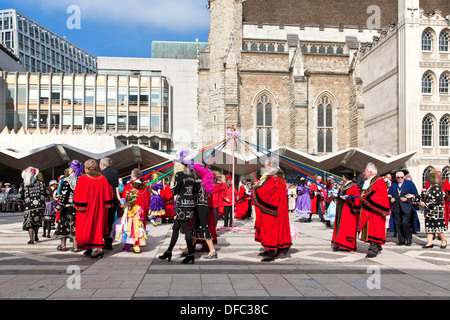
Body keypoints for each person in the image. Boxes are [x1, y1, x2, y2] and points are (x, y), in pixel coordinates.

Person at [253, 158, 292, 262]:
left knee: (270, 229)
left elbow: (268, 192)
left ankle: (271, 251)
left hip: (272, 209)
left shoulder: (274, 177)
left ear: (270, 165)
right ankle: (272, 248)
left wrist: (257, 188)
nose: (265, 167)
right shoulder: (278, 176)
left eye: (266, 165)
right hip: (278, 207)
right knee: (275, 229)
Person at [74, 159, 114, 259]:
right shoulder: (102, 178)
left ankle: (97, 249)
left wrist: (79, 206)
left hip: (87, 208)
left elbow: (79, 193)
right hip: (100, 208)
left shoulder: (83, 178)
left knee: (87, 227)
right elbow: (108, 192)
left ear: (86, 168)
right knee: (97, 226)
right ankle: (93, 248)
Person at [159, 158, 196, 264]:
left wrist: (172, 185)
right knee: (176, 227)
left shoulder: (179, 175)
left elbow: (174, 191)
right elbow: (193, 191)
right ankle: (169, 251)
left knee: (186, 229)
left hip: (182, 205)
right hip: (189, 204)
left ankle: (190, 255)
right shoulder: (191, 176)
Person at [359, 162, 390, 258]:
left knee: (374, 230)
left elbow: (378, 195)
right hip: (367, 210)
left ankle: (373, 249)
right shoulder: (370, 181)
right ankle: (377, 245)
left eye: (365, 172)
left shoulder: (379, 181)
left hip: (375, 211)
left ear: (371, 172)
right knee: (370, 230)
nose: (364, 174)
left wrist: (365, 197)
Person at [53, 160, 84, 251]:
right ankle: (76, 246)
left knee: (64, 225)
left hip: (67, 207)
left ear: (73, 169)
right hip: (78, 207)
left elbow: (64, 195)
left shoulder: (67, 180)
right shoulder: (81, 179)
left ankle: (63, 245)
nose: (69, 169)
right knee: (75, 226)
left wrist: (58, 207)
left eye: (70, 168)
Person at [191, 162, 217, 259]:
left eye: (195, 173)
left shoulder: (198, 183)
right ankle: (189, 248)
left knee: (203, 228)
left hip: (200, 208)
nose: (194, 175)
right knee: (195, 228)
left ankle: (212, 250)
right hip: (201, 207)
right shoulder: (204, 183)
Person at [416, 171, 447, 249]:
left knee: (438, 228)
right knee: (429, 227)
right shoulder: (431, 187)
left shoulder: (436, 187)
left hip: (436, 211)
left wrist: (424, 204)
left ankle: (443, 241)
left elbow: (435, 200)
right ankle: (429, 242)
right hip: (429, 211)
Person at [331, 169, 361, 252]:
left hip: (348, 210)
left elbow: (357, 200)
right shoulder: (343, 185)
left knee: (346, 227)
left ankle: (347, 245)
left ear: (346, 177)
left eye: (343, 176)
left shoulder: (353, 186)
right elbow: (340, 195)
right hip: (341, 209)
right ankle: (337, 242)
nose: (342, 177)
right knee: (340, 226)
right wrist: (335, 195)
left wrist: (349, 198)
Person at [388, 170, 419, 246]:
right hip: (396, 207)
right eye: (398, 178)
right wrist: (390, 199)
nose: (400, 179)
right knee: (398, 224)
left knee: (405, 223)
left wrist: (407, 199)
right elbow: (389, 195)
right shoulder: (393, 184)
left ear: (404, 177)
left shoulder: (409, 184)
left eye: (401, 177)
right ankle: (401, 239)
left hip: (406, 207)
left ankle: (408, 238)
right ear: (396, 178)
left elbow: (416, 195)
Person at [19, 167, 49, 244]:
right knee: (37, 220)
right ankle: (36, 236)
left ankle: (31, 239)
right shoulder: (41, 183)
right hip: (40, 205)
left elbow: (20, 196)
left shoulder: (24, 184)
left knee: (30, 222)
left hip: (29, 206)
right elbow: (46, 193)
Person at [100, 157, 119, 250]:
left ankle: (103, 240)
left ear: (103, 165)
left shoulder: (101, 174)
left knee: (103, 221)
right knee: (111, 220)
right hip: (113, 199)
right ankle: (109, 241)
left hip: (103, 200)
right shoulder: (115, 173)